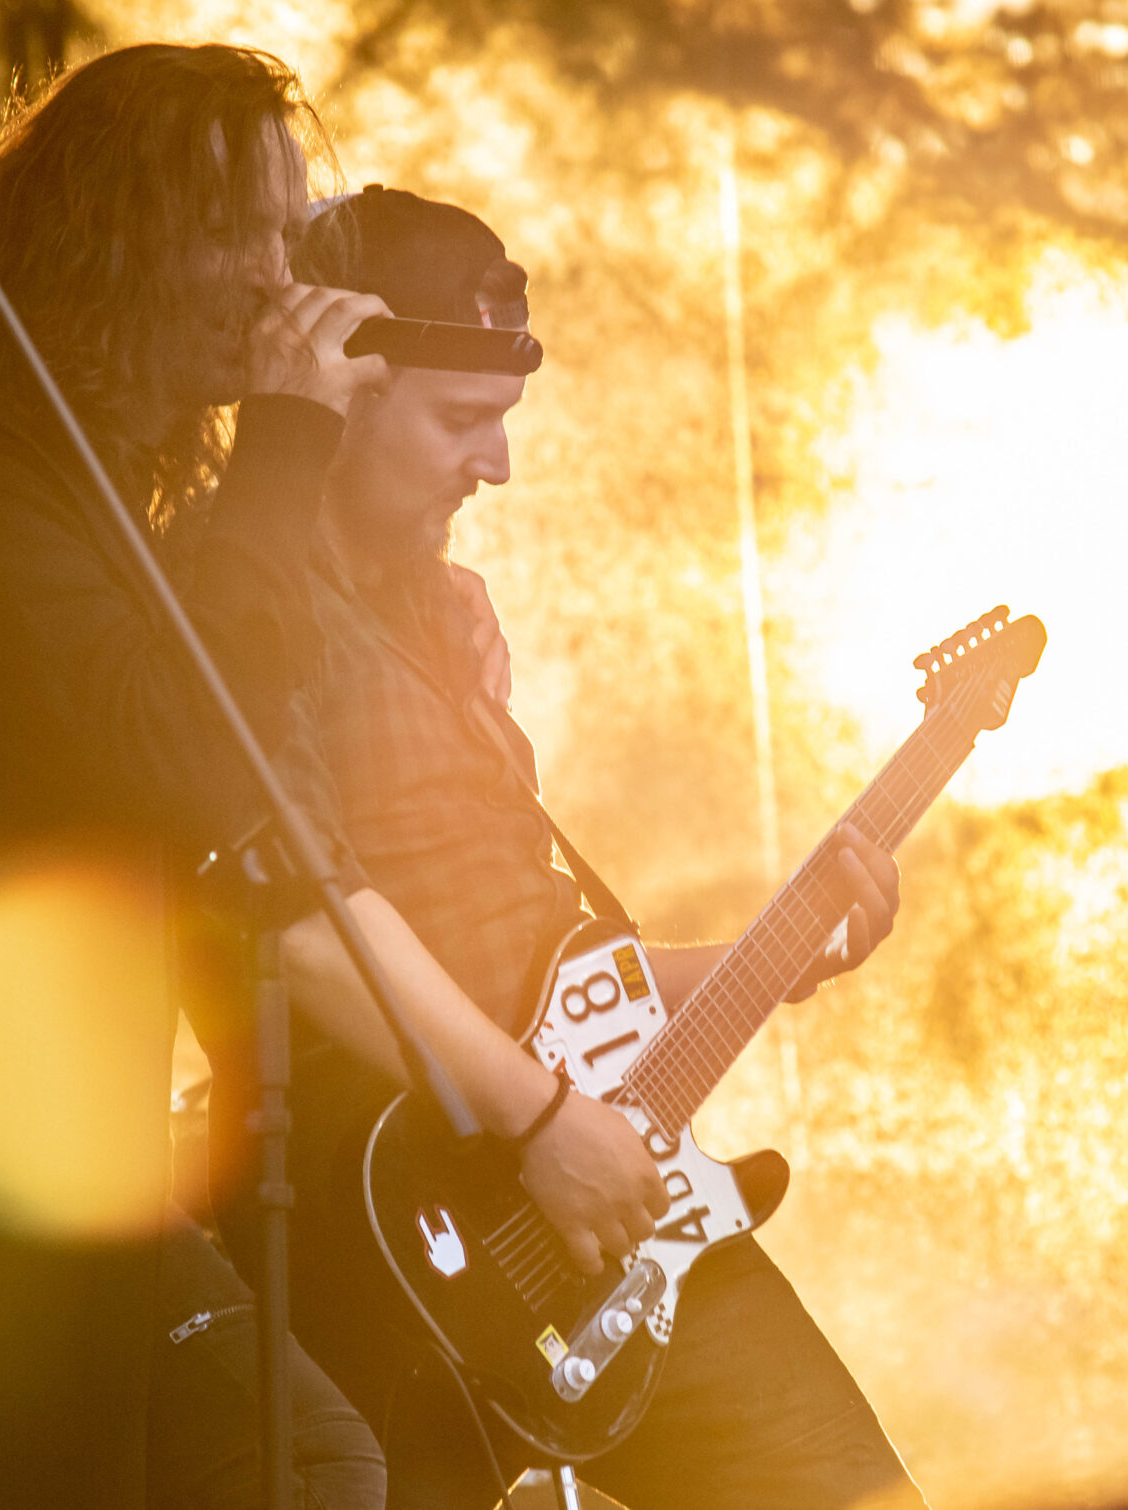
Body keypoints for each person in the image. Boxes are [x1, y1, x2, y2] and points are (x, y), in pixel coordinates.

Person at [0, 45, 648, 1510]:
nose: (279, 275)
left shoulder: (86, 469)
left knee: (298, 1461)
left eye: (287, 231)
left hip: (55, 1153)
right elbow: (180, 751)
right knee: (300, 1465)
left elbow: (241, 765)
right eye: (241, 234)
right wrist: (284, 443)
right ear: (123, 237)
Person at [199, 185, 927, 1510]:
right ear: (343, 392)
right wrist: (536, 1120)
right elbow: (296, 923)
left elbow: (541, 966)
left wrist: (776, 957)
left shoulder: (447, 613)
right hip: (412, 1228)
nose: (497, 466)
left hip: (596, 1194)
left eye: (505, 421)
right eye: (460, 421)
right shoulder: (245, 616)